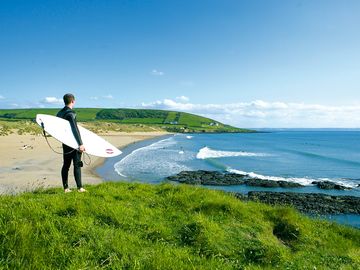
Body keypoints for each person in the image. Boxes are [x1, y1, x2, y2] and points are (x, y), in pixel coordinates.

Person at [57, 93, 86, 193]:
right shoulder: (71, 113)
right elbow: (74, 128)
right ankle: (80, 188)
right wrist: (80, 143)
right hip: (74, 143)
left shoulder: (59, 113)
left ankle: (66, 188)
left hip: (65, 143)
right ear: (73, 101)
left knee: (66, 165)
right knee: (77, 164)